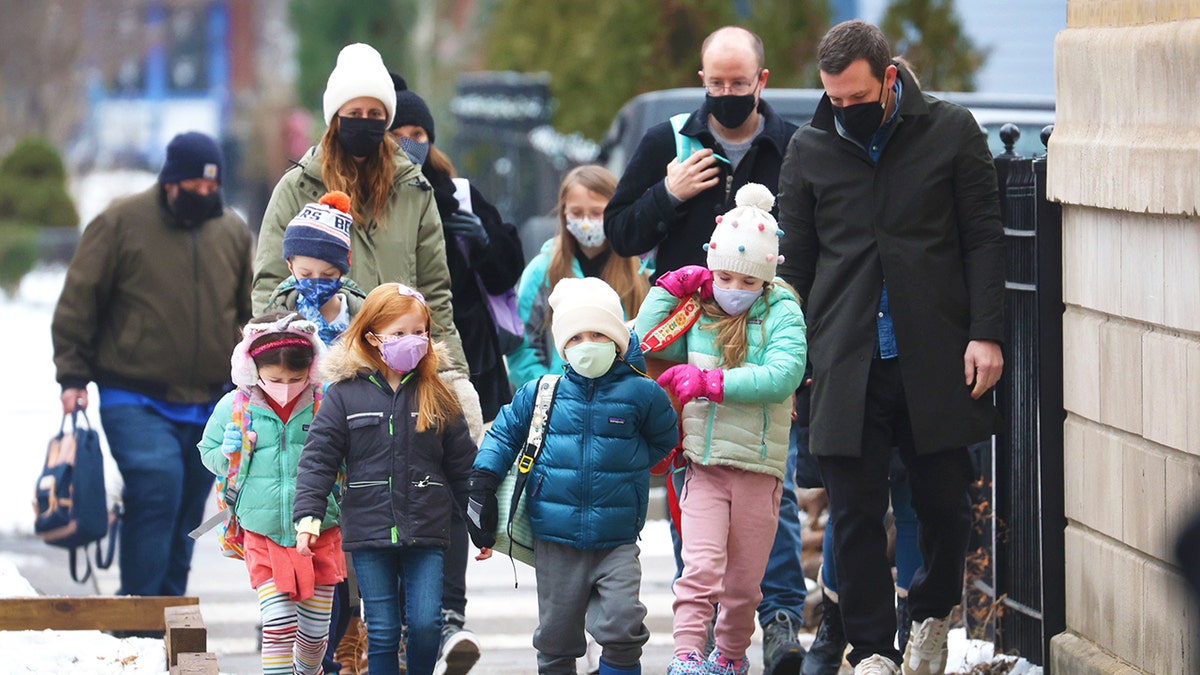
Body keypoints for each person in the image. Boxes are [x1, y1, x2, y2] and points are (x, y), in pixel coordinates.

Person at [777, 19, 1005, 675]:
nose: (845, 113)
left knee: (946, 504)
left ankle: (931, 615)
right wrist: (795, 363)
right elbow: (795, 269)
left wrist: (986, 333)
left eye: (857, 98)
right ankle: (874, 648)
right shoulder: (810, 150)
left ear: (890, 78)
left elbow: (985, 238)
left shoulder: (951, 132)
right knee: (851, 514)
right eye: (834, 101)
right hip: (842, 363)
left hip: (933, 356)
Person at [604, 25, 809, 671]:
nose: (726, 94)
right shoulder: (668, 140)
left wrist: (782, 306)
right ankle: (696, 636)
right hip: (687, 341)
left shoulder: (790, 146)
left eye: (738, 85)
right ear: (702, 81)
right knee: (697, 483)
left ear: (761, 82)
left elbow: (811, 238)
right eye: (716, 84)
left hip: (767, 331)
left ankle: (773, 619)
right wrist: (669, 194)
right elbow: (620, 228)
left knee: (769, 484)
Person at [51, 131, 254, 600]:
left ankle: (168, 615)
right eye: (194, 188)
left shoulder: (230, 232)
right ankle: (138, 617)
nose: (204, 196)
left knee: (189, 512)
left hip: (209, 400)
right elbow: (80, 301)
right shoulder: (121, 222)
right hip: (134, 393)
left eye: (212, 189)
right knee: (157, 487)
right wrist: (73, 374)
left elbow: (248, 309)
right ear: (170, 182)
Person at [251, 42, 482, 440]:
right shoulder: (296, 187)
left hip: (400, 373)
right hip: (320, 377)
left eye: (375, 114)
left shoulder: (414, 189)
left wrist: (452, 371)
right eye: (353, 113)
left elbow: (434, 291)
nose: (364, 122)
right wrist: (284, 364)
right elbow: (270, 287)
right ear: (335, 117)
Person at [466, 276, 678, 675]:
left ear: (617, 338)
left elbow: (663, 439)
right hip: (555, 539)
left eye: (598, 333)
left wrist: (630, 462)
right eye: (576, 336)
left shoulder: (642, 393)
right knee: (557, 635)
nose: (587, 344)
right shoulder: (543, 392)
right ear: (563, 344)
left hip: (616, 538)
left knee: (622, 623)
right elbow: (502, 434)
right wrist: (482, 482)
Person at [635, 183, 806, 675]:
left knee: (743, 585)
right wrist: (667, 291)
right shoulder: (699, 309)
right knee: (700, 570)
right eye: (724, 275)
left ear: (766, 277)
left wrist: (710, 382)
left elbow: (782, 375)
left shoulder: (782, 311)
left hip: (757, 468)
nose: (734, 288)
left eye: (747, 280)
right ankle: (687, 654)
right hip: (703, 466)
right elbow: (643, 342)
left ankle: (730, 658)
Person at [386, 75, 525, 675]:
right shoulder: (382, 194)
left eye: (421, 134)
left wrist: (486, 241)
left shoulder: (457, 192)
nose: (412, 143)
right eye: (403, 133)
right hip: (392, 360)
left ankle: (447, 615)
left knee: (450, 487)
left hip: (463, 363)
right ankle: (394, 617)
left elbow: (501, 275)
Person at [292, 283, 477, 675]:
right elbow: (318, 459)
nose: (412, 341)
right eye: (399, 333)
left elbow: (463, 467)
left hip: (427, 530)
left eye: (419, 332)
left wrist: (483, 527)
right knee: (382, 629)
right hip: (368, 531)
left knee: (426, 625)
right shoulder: (344, 395)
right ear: (373, 337)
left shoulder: (438, 392)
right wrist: (307, 517)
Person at [197, 312, 343, 675]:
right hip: (262, 533)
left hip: (320, 531)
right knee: (278, 628)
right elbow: (208, 452)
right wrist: (226, 453)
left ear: (311, 368)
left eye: (295, 378)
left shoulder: (326, 403)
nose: (286, 386)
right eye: (275, 379)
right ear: (252, 369)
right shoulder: (235, 407)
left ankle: (309, 671)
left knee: (312, 638)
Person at [506, 165, 648, 388]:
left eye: (596, 213)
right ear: (563, 213)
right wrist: (546, 388)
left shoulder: (639, 270)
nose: (585, 222)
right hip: (558, 400)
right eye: (577, 213)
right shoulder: (541, 271)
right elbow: (522, 344)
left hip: (623, 396)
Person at [260, 190, 369, 346]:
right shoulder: (277, 318)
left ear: (344, 267)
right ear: (290, 265)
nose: (316, 283)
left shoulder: (362, 317)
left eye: (327, 275)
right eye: (305, 274)